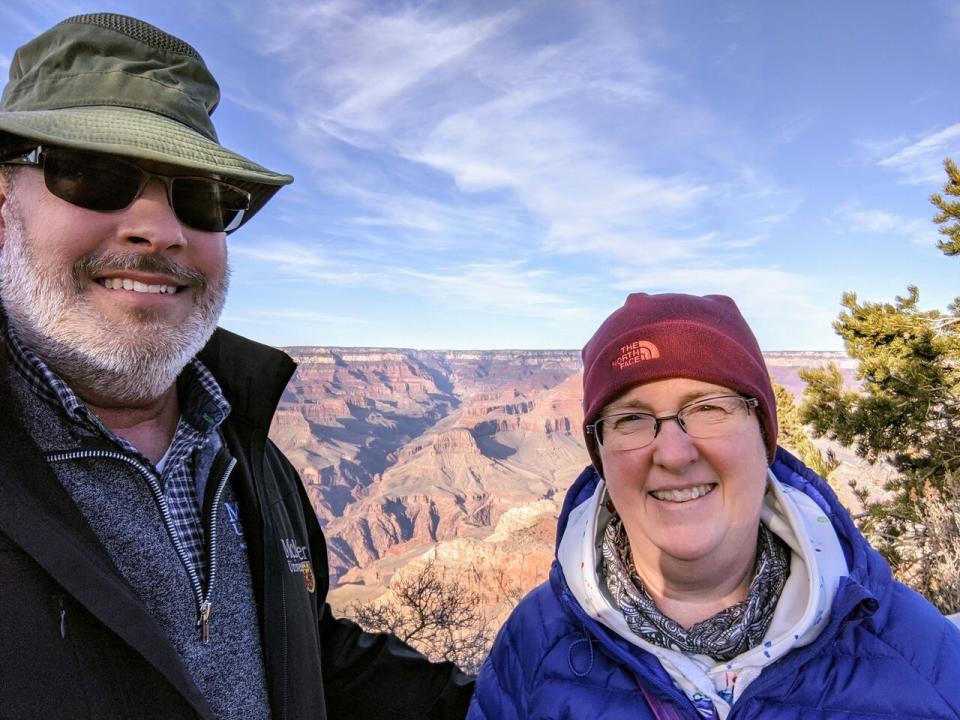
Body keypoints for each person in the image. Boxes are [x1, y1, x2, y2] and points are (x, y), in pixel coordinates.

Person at [0, 13, 472, 720]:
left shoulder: (245, 447)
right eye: (94, 176)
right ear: (3, 203)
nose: (159, 231)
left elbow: (308, 656)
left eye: (201, 198)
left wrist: (529, 697)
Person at [469, 292, 960, 719]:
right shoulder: (531, 651)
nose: (674, 454)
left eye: (708, 408)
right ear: (600, 456)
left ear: (764, 433)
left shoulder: (922, 662)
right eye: (632, 419)